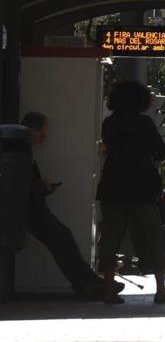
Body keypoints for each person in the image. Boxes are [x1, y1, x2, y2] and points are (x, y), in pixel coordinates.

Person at [95, 80, 165, 304]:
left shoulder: (109, 123)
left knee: (110, 240)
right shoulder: (144, 123)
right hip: (141, 189)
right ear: (141, 100)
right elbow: (160, 150)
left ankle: (107, 291)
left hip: (113, 188)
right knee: (154, 238)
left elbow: (108, 148)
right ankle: (161, 291)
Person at [20, 112, 113, 300]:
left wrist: (42, 188)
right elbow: (18, 184)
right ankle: (87, 283)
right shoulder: (20, 150)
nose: (43, 139)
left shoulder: (22, 149)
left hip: (30, 206)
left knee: (61, 237)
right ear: (32, 130)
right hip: (29, 208)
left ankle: (87, 282)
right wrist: (41, 187)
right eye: (42, 135)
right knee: (61, 237)